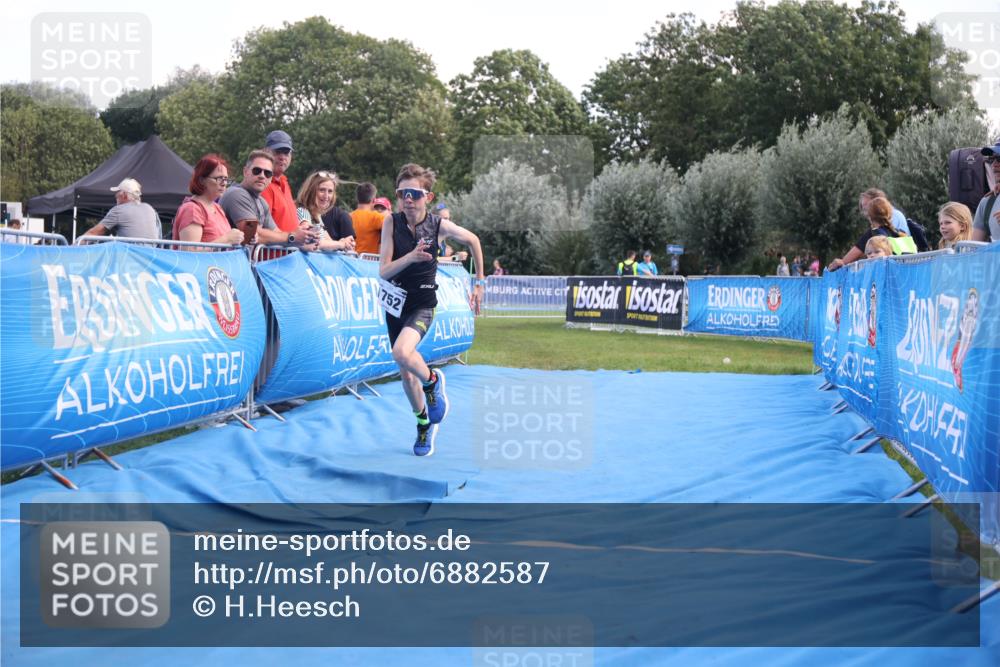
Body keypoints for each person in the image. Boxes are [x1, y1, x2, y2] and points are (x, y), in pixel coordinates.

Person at [379, 163, 484, 457]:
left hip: (423, 304)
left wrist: (479, 283)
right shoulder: (391, 222)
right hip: (394, 305)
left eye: (414, 193)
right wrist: (411, 257)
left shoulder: (439, 226)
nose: (408, 199)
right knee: (405, 373)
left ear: (428, 196)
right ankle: (423, 423)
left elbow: (473, 240)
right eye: (402, 193)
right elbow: (384, 271)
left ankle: (434, 380)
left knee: (402, 352)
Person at [219, 149, 319, 248]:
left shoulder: (262, 202)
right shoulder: (236, 194)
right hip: (225, 261)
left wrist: (303, 236)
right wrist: (292, 236)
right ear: (245, 172)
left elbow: (276, 233)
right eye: (257, 171)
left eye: (267, 173)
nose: (262, 176)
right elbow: (252, 233)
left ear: (271, 178)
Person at [172, 154, 244, 248]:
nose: (224, 183)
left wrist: (241, 238)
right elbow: (190, 252)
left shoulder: (217, 208)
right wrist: (227, 239)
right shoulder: (192, 209)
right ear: (202, 180)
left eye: (226, 179)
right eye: (219, 178)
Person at [828, 197, 913, 271]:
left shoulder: (873, 233)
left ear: (869, 216)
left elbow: (848, 258)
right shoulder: (902, 233)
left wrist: (840, 262)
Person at [296, 171, 356, 251]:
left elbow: (329, 242)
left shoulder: (317, 216)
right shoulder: (303, 211)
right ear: (311, 190)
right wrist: (341, 244)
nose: (326, 196)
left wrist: (344, 242)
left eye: (330, 191)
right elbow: (314, 242)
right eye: (322, 190)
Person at [83, 178, 161, 239]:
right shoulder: (150, 208)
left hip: (129, 257)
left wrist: (74, 248)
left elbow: (93, 233)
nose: (115, 195)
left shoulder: (119, 210)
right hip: (150, 256)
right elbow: (159, 236)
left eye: (118, 192)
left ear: (124, 195)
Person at [260, 130, 300, 233]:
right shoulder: (262, 184)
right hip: (273, 249)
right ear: (265, 152)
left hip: (290, 248)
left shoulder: (284, 182)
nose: (282, 157)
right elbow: (262, 227)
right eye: (277, 152)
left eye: (286, 153)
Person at [972, 141, 1000, 242]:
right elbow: (974, 249)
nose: (994, 165)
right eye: (991, 159)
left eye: (999, 159)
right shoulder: (988, 202)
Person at [351, 182, 387, 254]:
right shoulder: (377, 217)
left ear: (357, 199)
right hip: (369, 262)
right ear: (374, 200)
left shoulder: (348, 217)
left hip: (351, 260)